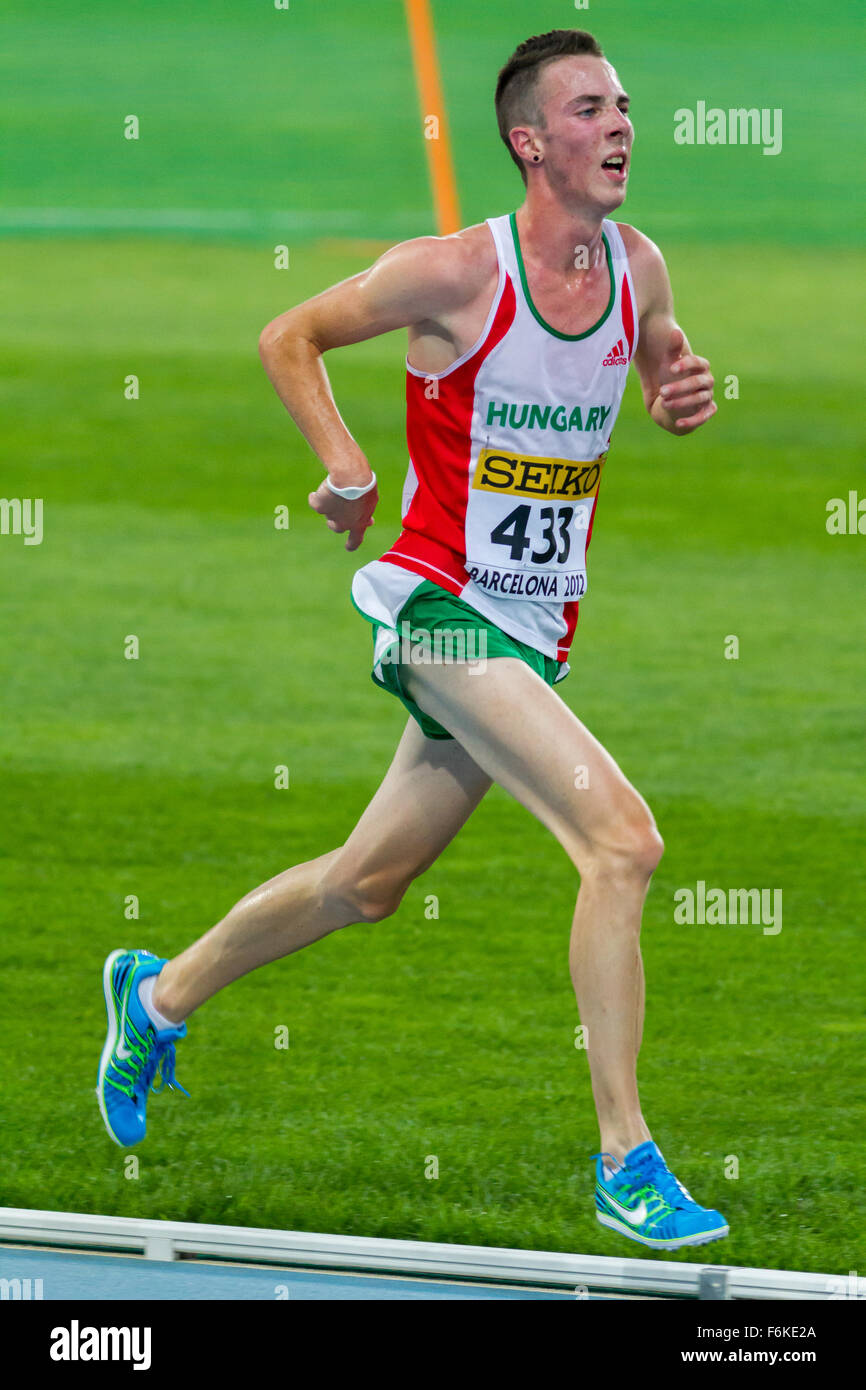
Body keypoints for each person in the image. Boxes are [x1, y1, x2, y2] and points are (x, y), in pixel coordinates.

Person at [97, 28, 727, 1251]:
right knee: (621, 840)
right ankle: (624, 1160)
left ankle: (156, 994)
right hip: (437, 609)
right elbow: (290, 334)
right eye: (589, 109)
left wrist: (675, 396)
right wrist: (343, 464)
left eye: (624, 106)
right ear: (527, 141)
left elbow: (658, 370)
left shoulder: (636, 266)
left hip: (531, 633)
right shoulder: (450, 273)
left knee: (367, 883)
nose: (619, 127)